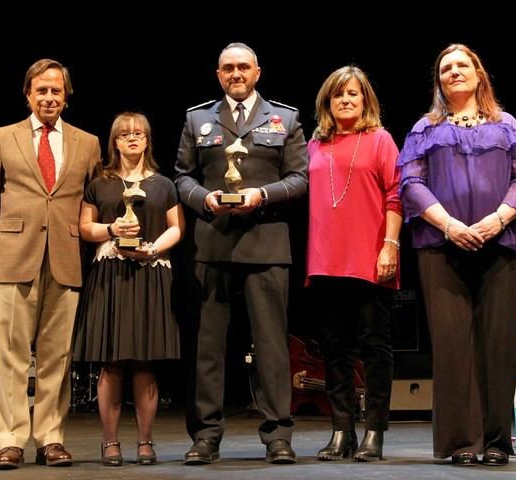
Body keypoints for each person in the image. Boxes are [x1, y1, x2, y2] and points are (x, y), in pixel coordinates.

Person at [398, 44, 516, 466]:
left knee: (497, 344)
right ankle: (462, 442)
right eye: (446, 68)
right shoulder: (425, 128)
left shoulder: (507, 125)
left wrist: (498, 219)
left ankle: (496, 441)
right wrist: (450, 226)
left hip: (502, 245)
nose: (454, 72)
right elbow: (410, 182)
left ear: (479, 74)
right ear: (439, 81)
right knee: (453, 345)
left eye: (462, 65)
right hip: (442, 248)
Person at [174, 42, 308, 465]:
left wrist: (263, 194)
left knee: (271, 345)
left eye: (243, 67)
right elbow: (181, 177)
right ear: (218, 74)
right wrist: (204, 198)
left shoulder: (284, 118)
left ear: (257, 72)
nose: (236, 74)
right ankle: (206, 435)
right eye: (228, 68)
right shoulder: (198, 118)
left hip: (266, 243)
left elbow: (300, 178)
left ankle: (278, 436)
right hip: (212, 243)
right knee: (208, 347)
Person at [0, 58, 101, 469]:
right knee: (10, 354)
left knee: (56, 355)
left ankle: (50, 437)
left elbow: (91, 201)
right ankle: (10, 439)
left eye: (56, 91)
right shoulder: (2, 136)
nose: (49, 97)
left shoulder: (87, 142)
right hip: (13, 257)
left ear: (66, 97)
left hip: (64, 258)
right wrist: (12, 232)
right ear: (28, 94)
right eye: (41, 90)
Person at [72, 112, 184, 467]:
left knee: (145, 362)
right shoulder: (100, 183)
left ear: (148, 140)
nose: (132, 139)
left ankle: (146, 442)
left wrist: (152, 249)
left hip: (150, 274)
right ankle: (110, 443)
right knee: (112, 362)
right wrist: (111, 231)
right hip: (110, 275)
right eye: (124, 134)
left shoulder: (164, 184)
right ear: (115, 141)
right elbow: (84, 227)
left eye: (139, 133)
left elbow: (177, 228)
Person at [306, 66, 402, 462]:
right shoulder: (313, 145)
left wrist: (390, 246)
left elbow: (397, 195)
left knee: (375, 348)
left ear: (366, 101)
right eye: (337, 95)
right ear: (327, 103)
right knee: (334, 350)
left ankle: (374, 432)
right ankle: (341, 430)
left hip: (369, 258)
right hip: (325, 261)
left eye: (353, 94)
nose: (345, 100)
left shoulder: (380, 140)